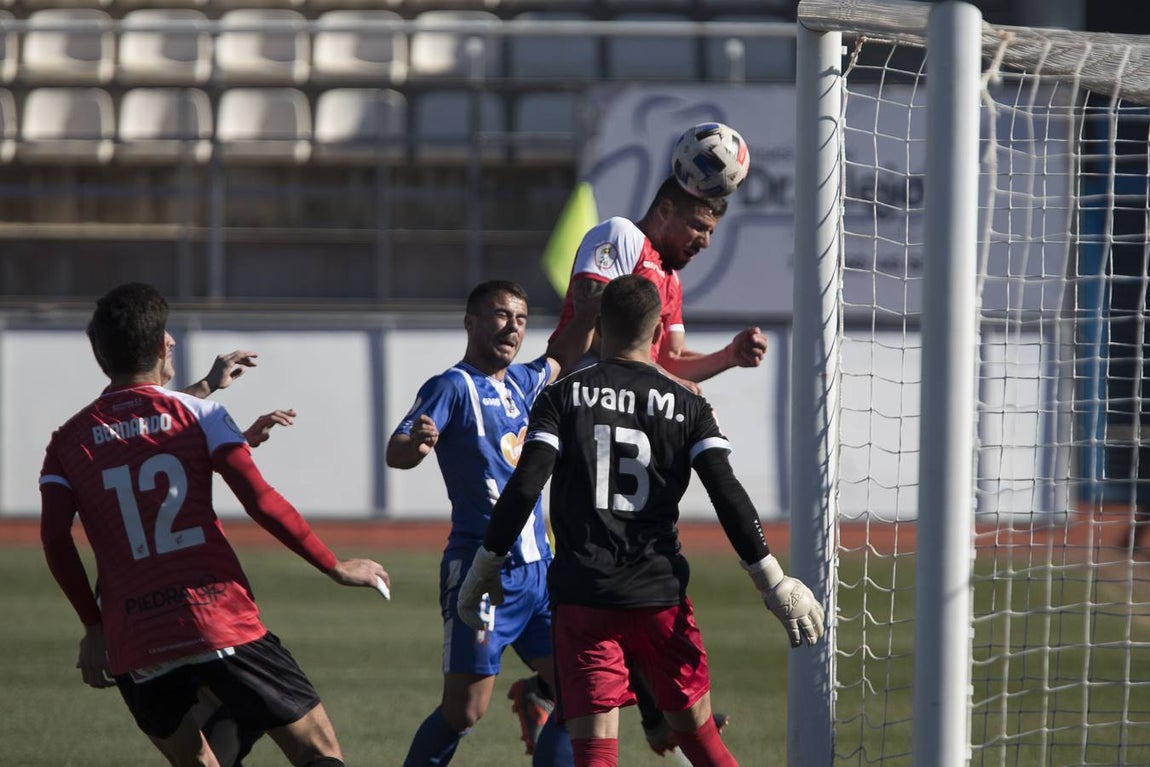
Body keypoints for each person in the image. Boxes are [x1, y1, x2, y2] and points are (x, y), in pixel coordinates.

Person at [457, 275, 825, 767]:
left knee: (596, 756)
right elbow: (726, 492)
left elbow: (525, 487)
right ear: (657, 334)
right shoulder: (690, 403)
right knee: (701, 742)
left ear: (600, 328)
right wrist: (771, 581)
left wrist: (485, 564)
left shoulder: (560, 397)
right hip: (660, 598)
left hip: (584, 599)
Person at [40, 282, 390, 767]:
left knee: (200, 763)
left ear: (97, 350)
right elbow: (261, 501)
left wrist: (92, 626)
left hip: (135, 638)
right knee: (318, 751)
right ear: (163, 345)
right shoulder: (201, 416)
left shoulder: (68, 439)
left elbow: (57, 538)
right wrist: (334, 566)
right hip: (217, 621)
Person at [386, 280, 566, 766]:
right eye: (501, 315)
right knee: (465, 711)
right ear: (471, 322)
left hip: (540, 572)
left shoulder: (526, 382)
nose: (513, 328)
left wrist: (594, 296)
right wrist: (416, 445)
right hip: (483, 573)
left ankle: (538, 700)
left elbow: (565, 349)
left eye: (522, 319)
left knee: (583, 690)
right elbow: (396, 451)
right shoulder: (451, 386)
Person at [546, 176, 768, 387]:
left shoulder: (672, 280)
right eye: (699, 226)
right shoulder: (622, 234)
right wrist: (662, 380)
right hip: (579, 389)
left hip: (628, 400)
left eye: (710, 232)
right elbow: (592, 327)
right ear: (665, 210)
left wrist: (729, 356)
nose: (705, 242)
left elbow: (670, 360)